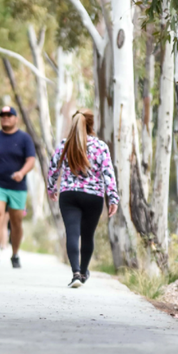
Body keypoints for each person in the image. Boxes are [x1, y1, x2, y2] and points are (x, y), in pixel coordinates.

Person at [47, 109, 119, 288]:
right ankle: (84, 272)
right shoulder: (100, 146)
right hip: (93, 196)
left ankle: (76, 273)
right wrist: (112, 198)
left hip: (69, 194)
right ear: (91, 125)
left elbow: (53, 169)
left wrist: (51, 188)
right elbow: (108, 173)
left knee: (72, 232)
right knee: (88, 235)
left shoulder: (65, 144)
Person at [0, 106, 35, 268]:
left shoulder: (24, 138)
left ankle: (15, 254)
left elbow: (31, 160)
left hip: (17, 187)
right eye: (3, 115)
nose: (5, 117)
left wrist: (21, 173)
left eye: (9, 115)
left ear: (16, 118)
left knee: (16, 221)